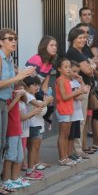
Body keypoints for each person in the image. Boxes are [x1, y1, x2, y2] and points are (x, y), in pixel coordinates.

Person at [0, 29, 34, 195]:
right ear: (1, 41)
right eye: (10, 39)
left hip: (3, 102)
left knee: (2, 143)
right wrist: (18, 77)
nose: (13, 42)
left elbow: (9, 83)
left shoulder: (9, 59)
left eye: (15, 39)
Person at [25, 36, 57, 167]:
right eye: (51, 45)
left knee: (38, 133)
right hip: (29, 98)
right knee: (33, 133)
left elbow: (44, 85)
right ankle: (30, 164)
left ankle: (36, 161)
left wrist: (46, 98)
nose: (55, 47)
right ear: (44, 46)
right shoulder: (36, 59)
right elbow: (27, 81)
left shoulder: (49, 63)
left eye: (55, 45)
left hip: (37, 97)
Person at [66, 27, 96, 156]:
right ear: (73, 39)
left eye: (84, 37)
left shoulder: (81, 51)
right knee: (79, 120)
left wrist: (92, 65)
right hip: (79, 90)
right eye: (80, 38)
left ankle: (78, 149)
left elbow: (94, 64)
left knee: (82, 120)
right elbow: (88, 70)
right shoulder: (74, 53)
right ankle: (77, 150)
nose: (83, 40)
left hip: (84, 88)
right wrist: (92, 65)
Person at [55, 58, 89, 166]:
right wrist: (78, 92)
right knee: (63, 135)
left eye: (69, 67)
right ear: (59, 69)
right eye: (65, 67)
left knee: (67, 134)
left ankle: (66, 156)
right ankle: (62, 158)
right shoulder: (60, 80)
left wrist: (81, 90)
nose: (68, 69)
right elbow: (64, 97)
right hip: (63, 109)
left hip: (69, 109)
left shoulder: (66, 80)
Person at [2, 84, 31, 191]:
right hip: (11, 129)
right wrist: (17, 97)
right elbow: (7, 109)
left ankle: (15, 178)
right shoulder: (8, 96)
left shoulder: (19, 100)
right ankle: (5, 180)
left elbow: (26, 101)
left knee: (19, 156)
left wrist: (23, 95)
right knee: (10, 155)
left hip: (18, 129)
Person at [21, 75, 51, 175]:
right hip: (32, 125)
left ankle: (31, 168)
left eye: (38, 85)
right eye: (34, 85)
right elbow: (40, 105)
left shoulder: (30, 95)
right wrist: (47, 100)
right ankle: (30, 169)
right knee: (32, 148)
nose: (37, 87)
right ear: (27, 86)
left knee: (31, 148)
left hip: (30, 125)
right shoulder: (28, 95)